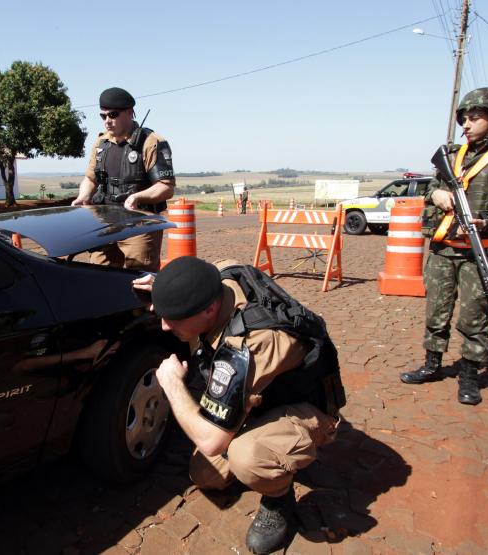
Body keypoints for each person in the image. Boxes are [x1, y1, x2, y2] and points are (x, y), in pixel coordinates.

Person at [133, 256, 344, 554]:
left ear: (209, 309)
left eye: (173, 318)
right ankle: (256, 435)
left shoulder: (251, 344)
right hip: (262, 394)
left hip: (305, 406)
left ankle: (278, 497)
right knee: (206, 476)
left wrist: (172, 384)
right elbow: (200, 274)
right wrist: (168, 289)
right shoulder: (221, 276)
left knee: (247, 458)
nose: (165, 327)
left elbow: (210, 441)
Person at [401, 87, 488, 405]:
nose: (466, 124)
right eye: (464, 118)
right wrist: (436, 194)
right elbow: (435, 183)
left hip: (482, 250)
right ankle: (432, 364)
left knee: (474, 317)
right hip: (443, 248)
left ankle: (469, 376)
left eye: (474, 118)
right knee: (436, 311)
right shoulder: (452, 155)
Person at [72, 87, 175, 271]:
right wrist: (83, 196)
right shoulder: (101, 143)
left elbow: (165, 187)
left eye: (113, 115)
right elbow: (90, 178)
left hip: (139, 225)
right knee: (100, 277)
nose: (107, 121)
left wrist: (138, 197)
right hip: (104, 223)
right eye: (103, 116)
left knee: (139, 281)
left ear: (129, 112)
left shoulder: (151, 141)